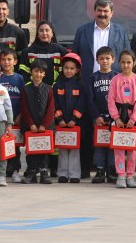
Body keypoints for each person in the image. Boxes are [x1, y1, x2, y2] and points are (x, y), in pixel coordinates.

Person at [107, 50, 136, 189]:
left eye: (129, 62)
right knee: (119, 149)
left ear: (134, 63)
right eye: (123, 62)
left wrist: (133, 119)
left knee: (132, 150)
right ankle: (121, 175)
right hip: (119, 118)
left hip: (132, 119)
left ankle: (130, 175)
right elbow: (111, 100)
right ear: (119, 63)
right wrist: (116, 118)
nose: (126, 65)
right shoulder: (115, 79)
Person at [73, 0, 131, 82]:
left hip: (114, 81)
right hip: (87, 80)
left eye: (105, 11)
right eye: (99, 10)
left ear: (111, 13)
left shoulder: (122, 32)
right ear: (94, 12)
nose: (102, 14)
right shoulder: (82, 31)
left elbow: (127, 57)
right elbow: (75, 56)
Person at [19, 59, 55, 184]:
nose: (38, 74)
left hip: (45, 126)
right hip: (31, 126)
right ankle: (32, 173)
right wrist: (31, 124)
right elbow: (24, 108)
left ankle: (44, 173)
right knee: (31, 150)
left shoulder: (49, 89)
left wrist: (44, 125)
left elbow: (51, 109)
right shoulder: (25, 89)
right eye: (36, 71)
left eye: (41, 72)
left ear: (44, 74)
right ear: (31, 72)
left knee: (44, 150)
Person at [53, 53, 87, 183]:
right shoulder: (57, 85)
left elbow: (82, 104)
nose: (68, 70)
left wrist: (74, 119)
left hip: (75, 124)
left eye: (72, 68)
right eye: (66, 68)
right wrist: (60, 119)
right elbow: (55, 104)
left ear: (77, 70)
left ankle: (74, 174)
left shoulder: (81, 85)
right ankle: (62, 174)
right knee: (62, 149)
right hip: (61, 123)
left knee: (74, 149)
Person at [87, 46, 118, 184]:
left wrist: (116, 116)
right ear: (97, 60)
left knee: (112, 145)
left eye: (107, 58)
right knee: (99, 145)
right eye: (101, 58)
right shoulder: (93, 77)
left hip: (113, 118)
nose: (104, 61)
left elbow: (119, 98)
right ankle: (100, 170)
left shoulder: (117, 77)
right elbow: (90, 99)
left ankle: (111, 170)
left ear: (113, 59)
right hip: (99, 117)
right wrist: (96, 116)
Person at [0, 48, 25, 183]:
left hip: (16, 119)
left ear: (15, 61)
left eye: (9, 59)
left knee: (15, 146)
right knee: (0, 145)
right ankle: (1, 172)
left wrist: (19, 116)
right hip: (0, 119)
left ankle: (15, 171)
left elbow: (23, 99)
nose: (6, 62)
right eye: (3, 59)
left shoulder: (19, 78)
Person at [18, 20, 68, 85]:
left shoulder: (61, 51)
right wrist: (31, 87)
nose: (44, 33)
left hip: (55, 91)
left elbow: (66, 72)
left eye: (47, 30)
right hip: (34, 90)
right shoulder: (27, 52)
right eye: (41, 31)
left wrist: (56, 86)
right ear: (37, 34)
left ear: (52, 33)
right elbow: (23, 73)